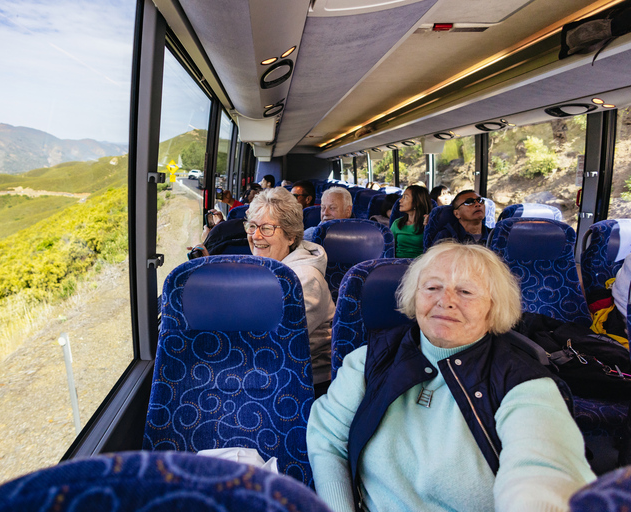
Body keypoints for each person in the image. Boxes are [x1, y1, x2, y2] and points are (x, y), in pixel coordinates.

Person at [307, 242, 595, 512]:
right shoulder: (368, 360)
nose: (445, 301)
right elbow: (328, 441)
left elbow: (544, 468)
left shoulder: (523, 384)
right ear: (414, 296)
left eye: (466, 292)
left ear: (493, 306)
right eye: (432, 287)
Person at [245, 187, 335, 396]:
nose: (256, 236)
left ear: (291, 237)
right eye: (252, 226)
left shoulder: (304, 279)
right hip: (270, 370)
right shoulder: (264, 266)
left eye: (267, 228)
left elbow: (270, 341)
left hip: (305, 382)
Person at [389, 185, 431, 258]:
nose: (400, 200)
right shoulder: (397, 223)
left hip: (420, 264)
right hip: (398, 264)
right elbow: (389, 248)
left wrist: (428, 226)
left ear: (417, 202)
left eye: (405, 197)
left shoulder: (428, 223)